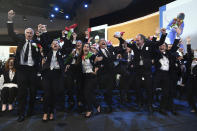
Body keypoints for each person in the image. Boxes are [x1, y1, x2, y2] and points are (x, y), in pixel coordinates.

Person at [7, 10, 41, 122]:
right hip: (21, 70)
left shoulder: (36, 42)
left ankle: (30, 111)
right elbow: (11, 33)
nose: (29, 34)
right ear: (25, 34)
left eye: (31, 33)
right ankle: (21, 113)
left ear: (33, 34)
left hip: (32, 71)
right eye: (27, 33)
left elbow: (39, 57)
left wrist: (38, 71)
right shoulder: (20, 39)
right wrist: (10, 19)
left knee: (33, 92)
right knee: (22, 93)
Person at [153, 30, 181, 115]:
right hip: (158, 74)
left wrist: (178, 35)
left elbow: (174, 46)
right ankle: (151, 105)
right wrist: (157, 35)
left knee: (166, 93)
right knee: (152, 91)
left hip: (166, 75)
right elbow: (153, 46)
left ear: (166, 47)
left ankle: (163, 108)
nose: (162, 46)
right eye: (161, 45)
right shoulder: (156, 53)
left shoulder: (169, 53)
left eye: (164, 45)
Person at [41, 40, 65, 121]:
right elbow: (44, 44)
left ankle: (51, 112)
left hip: (57, 75)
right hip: (47, 74)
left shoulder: (62, 53)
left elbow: (69, 48)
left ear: (59, 46)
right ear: (51, 45)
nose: (55, 44)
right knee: (47, 94)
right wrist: (42, 32)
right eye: (53, 43)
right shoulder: (48, 52)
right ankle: (45, 112)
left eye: (56, 43)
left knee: (54, 94)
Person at [76, 43, 102, 117]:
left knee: (87, 93)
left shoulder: (92, 55)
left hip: (91, 76)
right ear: (83, 48)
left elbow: (98, 64)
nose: (86, 48)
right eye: (85, 46)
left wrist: (95, 71)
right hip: (84, 77)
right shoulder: (80, 56)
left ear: (89, 48)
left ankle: (90, 109)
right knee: (88, 93)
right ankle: (97, 105)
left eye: (87, 47)